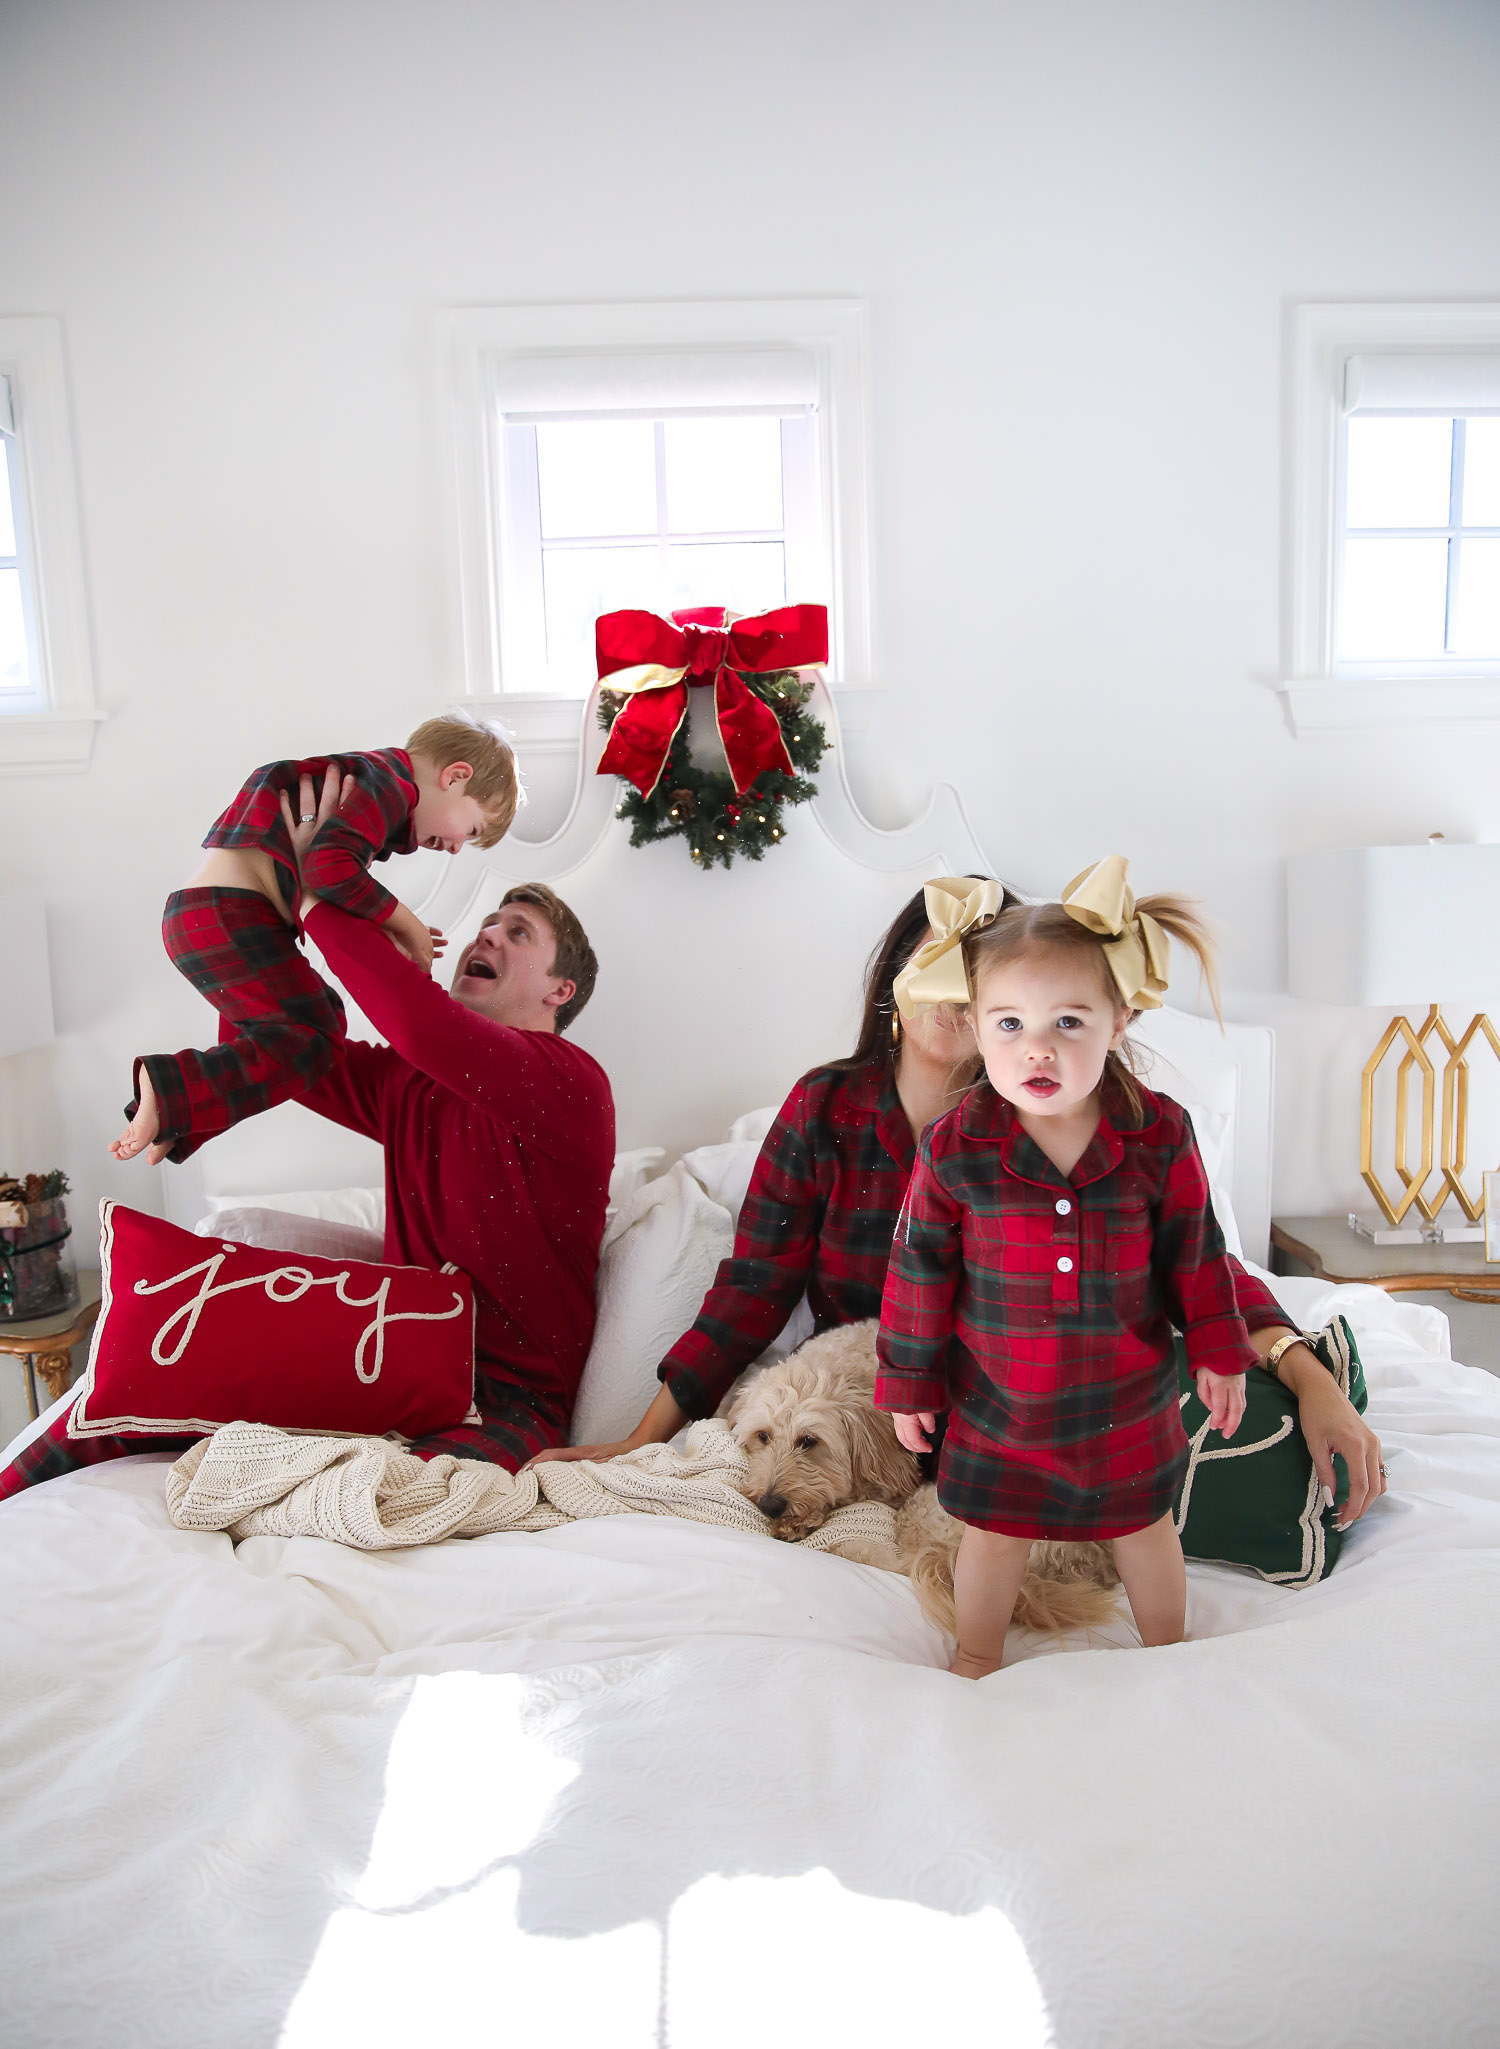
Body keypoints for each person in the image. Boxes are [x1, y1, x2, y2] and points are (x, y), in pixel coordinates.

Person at [536, 874, 1386, 1550]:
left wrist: (1312, 1380)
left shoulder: (1076, 1127)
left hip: (1032, 1415)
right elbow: (750, 1290)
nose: (950, 994)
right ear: (895, 982)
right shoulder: (825, 1110)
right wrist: (641, 1437)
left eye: (972, 972)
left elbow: (1200, 1267)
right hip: (878, 1417)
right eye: (933, 963)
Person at [1, 768, 613, 1497]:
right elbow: (273, 1038)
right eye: (486, 925)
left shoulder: (571, 1082)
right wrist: (263, 901)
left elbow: (417, 1021)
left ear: (559, 991)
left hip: (505, 1399)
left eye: (518, 933)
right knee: (134, 1390)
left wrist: (321, 885)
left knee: (374, 1505)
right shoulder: (411, 1085)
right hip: (395, 1360)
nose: (487, 936)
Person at [876, 858, 1253, 1675]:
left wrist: (1222, 1351)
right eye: (1009, 1023)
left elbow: (1198, 1250)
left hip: (1124, 1394)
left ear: (1119, 1021)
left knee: (1144, 1527)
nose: (1037, 1048)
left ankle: (1167, 1651)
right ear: (974, 1025)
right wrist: (909, 1380)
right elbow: (918, 1270)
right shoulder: (955, 1146)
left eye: (1069, 1023)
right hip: (1000, 1401)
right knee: (994, 1535)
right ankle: (978, 1652)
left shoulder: (1158, 1134)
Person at [110, 713, 519, 1166]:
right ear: (456, 777)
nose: (458, 847)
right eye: (474, 830)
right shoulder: (389, 784)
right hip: (228, 912)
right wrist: (406, 923)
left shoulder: (368, 779)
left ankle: (174, 1121)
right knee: (318, 1034)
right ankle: (167, 1090)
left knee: (294, 1031)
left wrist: (380, 927)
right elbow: (326, 870)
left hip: (205, 914)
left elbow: (330, 876)